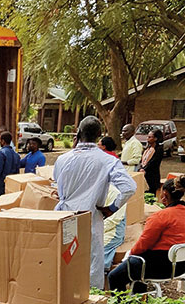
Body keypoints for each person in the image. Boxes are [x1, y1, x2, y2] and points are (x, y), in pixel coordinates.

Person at [54, 116, 137, 289]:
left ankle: (65, 295)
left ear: (78, 132)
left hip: (63, 216)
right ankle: (91, 298)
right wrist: (112, 208)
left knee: (65, 260)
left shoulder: (62, 159)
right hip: (91, 216)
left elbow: (57, 184)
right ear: (99, 134)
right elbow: (129, 187)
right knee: (92, 263)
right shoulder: (107, 160)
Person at [108, 176, 185, 293]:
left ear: (164, 194)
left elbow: (144, 244)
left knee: (114, 276)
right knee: (136, 267)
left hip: (159, 267)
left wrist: (128, 255)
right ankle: (140, 297)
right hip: (180, 267)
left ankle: (122, 301)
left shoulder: (161, 216)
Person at [103, 184, 127, 271]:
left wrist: (96, 230)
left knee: (100, 247)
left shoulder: (115, 193)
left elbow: (114, 220)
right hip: (97, 226)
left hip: (113, 229)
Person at [141, 129, 164, 195]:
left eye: (150, 137)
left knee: (151, 194)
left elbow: (154, 162)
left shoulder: (159, 149)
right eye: (147, 137)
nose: (147, 139)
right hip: (144, 174)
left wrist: (144, 168)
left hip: (152, 176)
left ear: (155, 138)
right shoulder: (148, 148)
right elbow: (143, 160)